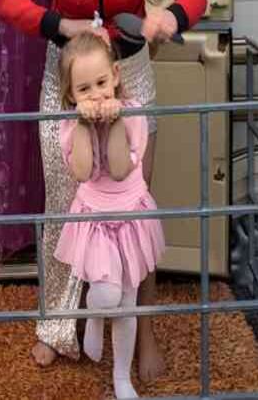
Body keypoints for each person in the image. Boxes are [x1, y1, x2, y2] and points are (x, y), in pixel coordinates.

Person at [0, 0, 208, 378]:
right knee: (67, 205)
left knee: (134, 208)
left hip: (131, 78)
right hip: (65, 83)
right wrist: (58, 24)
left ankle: (142, 336)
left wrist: (170, 18)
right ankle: (60, 324)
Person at [53, 32, 165, 398]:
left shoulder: (132, 115)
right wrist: (85, 124)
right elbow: (84, 172)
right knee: (104, 293)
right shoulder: (70, 124)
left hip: (130, 212)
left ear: (116, 75)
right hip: (95, 217)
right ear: (72, 96)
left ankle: (121, 377)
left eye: (102, 83)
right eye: (84, 89)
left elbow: (119, 169)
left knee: (127, 301)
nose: (97, 94)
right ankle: (95, 314)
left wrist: (115, 120)